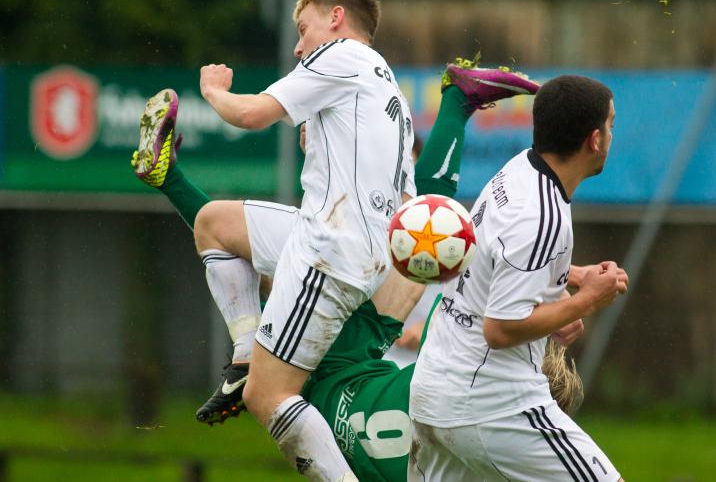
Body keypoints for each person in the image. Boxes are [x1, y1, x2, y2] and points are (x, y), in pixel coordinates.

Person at [132, 50, 542, 478]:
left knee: (228, 233)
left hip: (355, 349)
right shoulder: (401, 228)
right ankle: (458, 99)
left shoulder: (389, 222)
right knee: (419, 222)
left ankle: (172, 185)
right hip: (365, 348)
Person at [408, 75, 629, 482]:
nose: (612, 134)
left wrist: (569, 276)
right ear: (595, 140)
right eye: (611, 124)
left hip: (433, 389)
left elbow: (495, 258)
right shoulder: (541, 215)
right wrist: (586, 301)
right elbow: (501, 329)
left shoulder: (520, 169)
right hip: (490, 406)